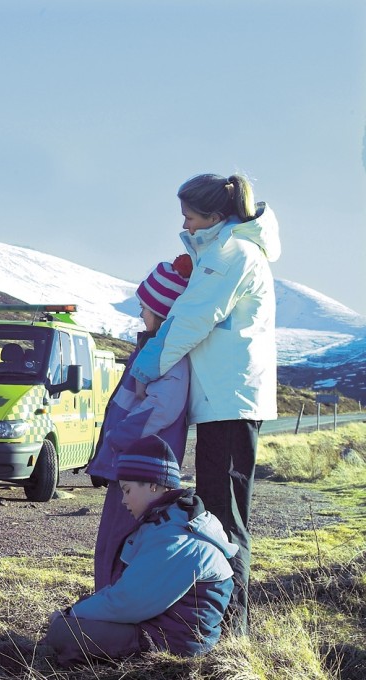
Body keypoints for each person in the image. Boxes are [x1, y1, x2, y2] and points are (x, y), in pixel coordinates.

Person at [130, 173, 280, 635]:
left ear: (214, 216)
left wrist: (146, 366)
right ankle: (221, 620)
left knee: (226, 515)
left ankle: (231, 628)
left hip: (230, 402)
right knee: (218, 509)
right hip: (224, 400)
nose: (185, 224)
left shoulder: (231, 252)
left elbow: (192, 319)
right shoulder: (224, 250)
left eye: (190, 216)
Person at [43, 435, 237, 667]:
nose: (123, 501)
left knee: (63, 631)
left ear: (153, 485)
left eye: (127, 490)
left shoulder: (176, 537)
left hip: (173, 644)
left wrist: (71, 614)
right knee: (79, 616)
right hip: (161, 629)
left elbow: (127, 602)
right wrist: (78, 610)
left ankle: (68, 659)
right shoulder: (170, 522)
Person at [87, 255, 192, 589]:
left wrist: (117, 440)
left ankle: (112, 610)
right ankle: (106, 604)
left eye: (145, 307)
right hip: (132, 463)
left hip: (140, 465)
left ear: (161, 312)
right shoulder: (154, 349)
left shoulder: (167, 352)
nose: (140, 313)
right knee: (112, 542)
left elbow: (160, 407)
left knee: (122, 542)